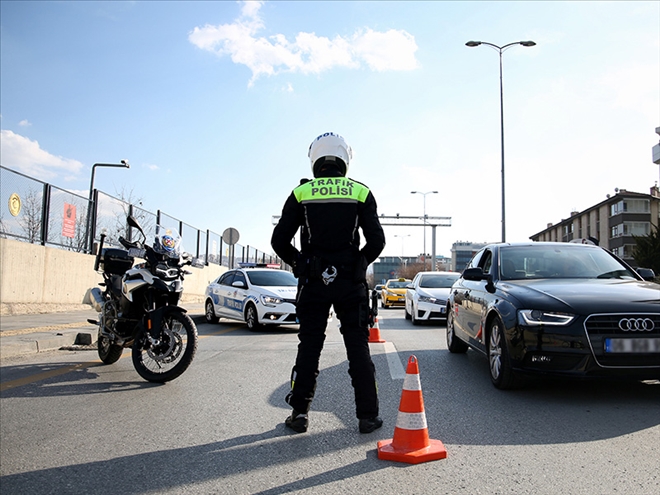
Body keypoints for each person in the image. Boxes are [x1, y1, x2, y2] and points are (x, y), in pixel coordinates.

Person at [271, 132, 386, 434]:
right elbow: (377, 241)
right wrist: (359, 263)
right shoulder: (360, 192)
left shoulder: (301, 194)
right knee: (358, 348)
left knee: (309, 346)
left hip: (313, 281)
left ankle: (299, 414)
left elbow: (279, 240)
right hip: (350, 280)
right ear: (345, 158)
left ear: (315, 158)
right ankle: (367, 416)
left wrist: (300, 263)